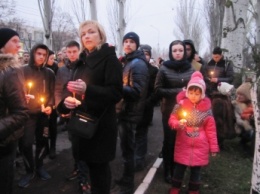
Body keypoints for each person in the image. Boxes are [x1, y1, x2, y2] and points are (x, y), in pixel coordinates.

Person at [56, 20, 122, 194]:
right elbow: (71, 88)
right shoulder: (82, 61)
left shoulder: (110, 60)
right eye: (83, 34)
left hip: (100, 125)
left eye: (91, 32)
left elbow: (116, 93)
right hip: (81, 123)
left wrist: (88, 89)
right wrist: (66, 103)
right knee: (86, 165)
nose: (87, 36)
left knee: (99, 170)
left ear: (100, 35)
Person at [168, 71, 219, 194]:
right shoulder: (180, 106)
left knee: (196, 171)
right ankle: (175, 187)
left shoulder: (207, 110)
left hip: (200, 144)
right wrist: (177, 124)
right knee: (179, 168)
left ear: (202, 94)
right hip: (183, 141)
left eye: (197, 93)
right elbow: (172, 118)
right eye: (191, 92)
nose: (193, 96)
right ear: (187, 92)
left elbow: (211, 130)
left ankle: (193, 190)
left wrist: (213, 147)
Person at [113, 32, 148, 194]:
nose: (127, 44)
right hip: (125, 111)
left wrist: (117, 87)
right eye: (125, 41)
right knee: (126, 148)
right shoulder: (128, 61)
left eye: (131, 42)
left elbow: (137, 91)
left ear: (137, 45)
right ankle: (127, 178)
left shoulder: (137, 64)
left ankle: (128, 184)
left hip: (130, 112)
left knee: (128, 149)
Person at [154, 40, 194, 184]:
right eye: (175, 50)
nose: (178, 53)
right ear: (171, 52)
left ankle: (179, 169)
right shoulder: (164, 69)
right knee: (170, 141)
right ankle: (168, 170)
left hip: (188, 111)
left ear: (185, 52)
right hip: (169, 111)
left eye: (180, 50)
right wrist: (178, 92)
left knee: (183, 141)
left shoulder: (191, 69)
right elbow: (157, 90)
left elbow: (198, 88)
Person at [55, 40, 91, 194]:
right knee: (74, 143)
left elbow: (89, 89)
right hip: (67, 112)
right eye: (69, 52)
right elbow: (57, 90)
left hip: (82, 112)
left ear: (79, 51)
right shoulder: (62, 70)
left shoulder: (85, 67)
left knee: (82, 144)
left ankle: (84, 178)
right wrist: (60, 109)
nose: (71, 55)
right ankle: (78, 168)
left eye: (74, 52)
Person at [18, 43, 55, 188]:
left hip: (43, 115)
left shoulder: (49, 73)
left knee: (42, 142)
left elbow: (52, 93)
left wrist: (51, 106)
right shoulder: (22, 71)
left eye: (44, 55)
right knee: (26, 143)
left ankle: (39, 166)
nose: (41, 57)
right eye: (38, 53)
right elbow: (16, 91)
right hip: (27, 115)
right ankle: (29, 170)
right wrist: (22, 98)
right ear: (33, 53)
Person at [0, 28, 29, 194]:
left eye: (19, 41)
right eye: (14, 41)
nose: (19, 45)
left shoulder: (10, 71)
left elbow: (20, 112)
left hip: (4, 142)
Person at [135, 44, 158, 171]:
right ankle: (132, 158)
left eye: (147, 54)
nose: (145, 56)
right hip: (132, 107)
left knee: (142, 134)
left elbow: (155, 90)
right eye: (142, 53)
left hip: (145, 108)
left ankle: (139, 159)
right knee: (131, 134)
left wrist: (147, 102)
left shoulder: (154, 71)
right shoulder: (134, 67)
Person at [232, 81, 255, 147]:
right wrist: (249, 118)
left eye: (241, 95)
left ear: (247, 95)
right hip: (243, 126)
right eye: (238, 94)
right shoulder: (236, 104)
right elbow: (238, 118)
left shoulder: (252, 104)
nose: (239, 96)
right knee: (251, 133)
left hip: (252, 124)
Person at [45, 50, 58, 159]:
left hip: (53, 101)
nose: (53, 61)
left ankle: (52, 147)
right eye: (51, 58)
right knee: (44, 126)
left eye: (54, 58)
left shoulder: (56, 68)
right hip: (42, 101)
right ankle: (46, 147)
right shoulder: (41, 69)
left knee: (53, 126)